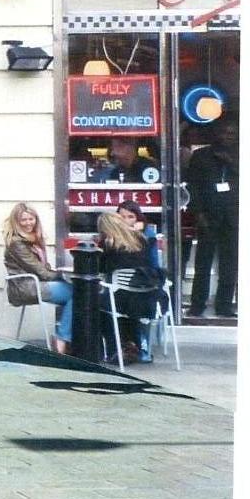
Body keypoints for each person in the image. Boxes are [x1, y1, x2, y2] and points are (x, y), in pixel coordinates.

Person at [2, 203, 76, 354]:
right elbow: (41, 272)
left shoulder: (34, 239)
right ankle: (61, 340)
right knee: (78, 292)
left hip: (38, 284)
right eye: (24, 220)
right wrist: (66, 275)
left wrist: (63, 275)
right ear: (16, 222)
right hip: (26, 287)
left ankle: (66, 338)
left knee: (78, 293)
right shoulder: (16, 242)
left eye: (31, 219)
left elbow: (44, 270)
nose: (28, 223)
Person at [183, 119, 237, 318]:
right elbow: (193, 186)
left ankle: (225, 305)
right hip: (208, 216)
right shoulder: (201, 155)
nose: (227, 137)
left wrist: (230, 162)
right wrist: (198, 213)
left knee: (229, 264)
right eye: (224, 132)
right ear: (216, 134)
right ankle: (197, 305)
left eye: (232, 134)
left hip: (233, 217)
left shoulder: (239, 155)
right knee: (203, 264)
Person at [98, 210, 165, 364]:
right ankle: (134, 345)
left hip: (122, 300)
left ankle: (113, 349)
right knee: (125, 304)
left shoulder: (110, 245)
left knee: (98, 305)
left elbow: (102, 270)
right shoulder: (142, 240)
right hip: (148, 299)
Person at [92, 138, 161, 184]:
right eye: (111, 148)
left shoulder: (149, 168)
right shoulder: (114, 172)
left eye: (117, 147)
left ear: (129, 147)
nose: (112, 153)